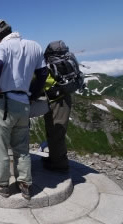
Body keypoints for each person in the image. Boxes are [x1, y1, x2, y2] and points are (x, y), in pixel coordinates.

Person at [0, 19, 48, 200]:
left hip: (3, 104)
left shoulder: (1, 47)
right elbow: (43, 73)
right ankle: (25, 184)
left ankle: (2, 185)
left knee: (1, 146)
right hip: (23, 104)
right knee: (22, 147)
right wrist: (33, 93)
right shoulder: (34, 46)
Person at [41, 41, 76, 173]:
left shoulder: (50, 65)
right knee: (54, 131)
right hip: (62, 98)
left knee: (56, 132)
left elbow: (45, 82)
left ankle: (59, 164)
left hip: (58, 100)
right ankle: (54, 159)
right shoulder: (62, 62)